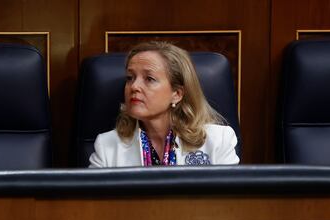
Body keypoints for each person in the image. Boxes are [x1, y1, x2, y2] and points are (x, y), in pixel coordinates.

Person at [89, 41, 239, 167]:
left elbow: (230, 201)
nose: (134, 86)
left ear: (177, 94)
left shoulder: (219, 141)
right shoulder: (106, 146)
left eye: (149, 79)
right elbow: (92, 202)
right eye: (130, 77)